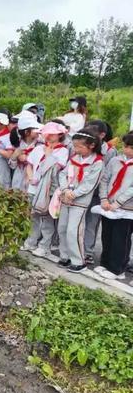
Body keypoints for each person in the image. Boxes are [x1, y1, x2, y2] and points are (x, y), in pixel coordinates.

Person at [58, 128, 104, 273]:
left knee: (74, 230)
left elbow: (90, 184)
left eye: (79, 146)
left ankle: (78, 260)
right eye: (75, 146)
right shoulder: (74, 158)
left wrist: (75, 193)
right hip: (66, 197)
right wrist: (65, 189)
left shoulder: (97, 163)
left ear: (91, 145)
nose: (76, 149)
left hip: (80, 201)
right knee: (63, 228)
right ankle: (64, 256)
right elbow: (63, 174)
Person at [21, 122, 69, 260]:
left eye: (52, 134)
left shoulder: (62, 151)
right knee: (32, 216)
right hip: (33, 188)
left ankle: (44, 246)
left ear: (60, 134)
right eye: (46, 133)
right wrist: (31, 178)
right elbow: (29, 165)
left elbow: (55, 170)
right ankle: (31, 241)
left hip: (48, 190)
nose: (48, 136)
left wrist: (49, 155)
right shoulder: (38, 148)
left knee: (46, 219)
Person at [92, 132, 133, 280]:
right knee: (107, 235)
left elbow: (131, 189)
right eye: (125, 146)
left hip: (127, 209)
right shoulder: (115, 160)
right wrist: (104, 199)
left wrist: (118, 203)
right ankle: (105, 263)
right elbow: (105, 179)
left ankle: (117, 269)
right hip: (108, 205)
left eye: (131, 147)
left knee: (120, 238)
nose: (127, 150)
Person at [84, 119, 117, 263]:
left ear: (102, 135)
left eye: (92, 132)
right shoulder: (85, 146)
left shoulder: (110, 151)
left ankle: (88, 251)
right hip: (82, 190)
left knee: (92, 223)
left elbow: (109, 175)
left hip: (98, 193)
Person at [9, 116, 42, 192]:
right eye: (34, 129)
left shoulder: (40, 145)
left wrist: (28, 158)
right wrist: (15, 156)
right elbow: (12, 166)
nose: (38, 131)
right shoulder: (18, 144)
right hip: (19, 176)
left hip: (32, 176)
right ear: (26, 132)